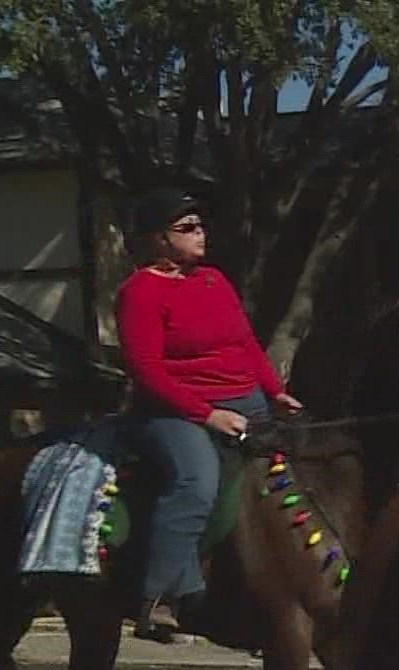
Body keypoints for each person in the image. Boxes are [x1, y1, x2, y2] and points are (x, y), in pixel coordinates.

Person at [116, 187, 301, 642]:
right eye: (187, 228)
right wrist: (207, 415)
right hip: (172, 410)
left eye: (200, 225)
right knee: (196, 481)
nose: (200, 234)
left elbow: (245, 344)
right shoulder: (139, 291)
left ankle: (279, 590)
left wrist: (275, 393)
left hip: (247, 399)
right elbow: (146, 369)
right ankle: (160, 597)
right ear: (158, 239)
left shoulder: (214, 281)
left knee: (294, 475)